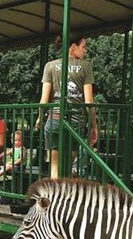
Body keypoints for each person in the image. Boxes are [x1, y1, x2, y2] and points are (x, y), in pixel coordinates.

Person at [35, 33, 97, 179]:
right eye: (83, 47)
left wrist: (39, 118)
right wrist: (94, 126)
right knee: (68, 169)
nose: (85, 50)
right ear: (73, 47)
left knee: (54, 168)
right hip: (75, 122)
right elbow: (89, 102)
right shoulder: (85, 66)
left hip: (54, 120)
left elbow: (43, 101)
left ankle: (54, 200)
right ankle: (66, 200)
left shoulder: (50, 66)